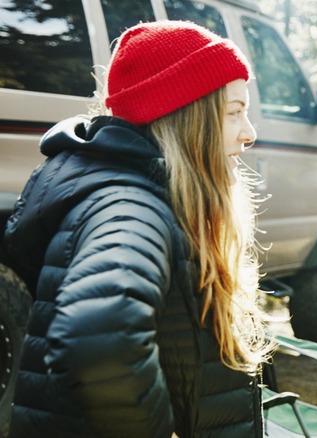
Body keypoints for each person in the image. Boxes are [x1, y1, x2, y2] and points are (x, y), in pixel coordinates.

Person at [3, 20, 273, 437]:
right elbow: (99, 338)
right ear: (185, 119)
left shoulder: (150, 195)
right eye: (234, 112)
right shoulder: (129, 207)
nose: (249, 133)